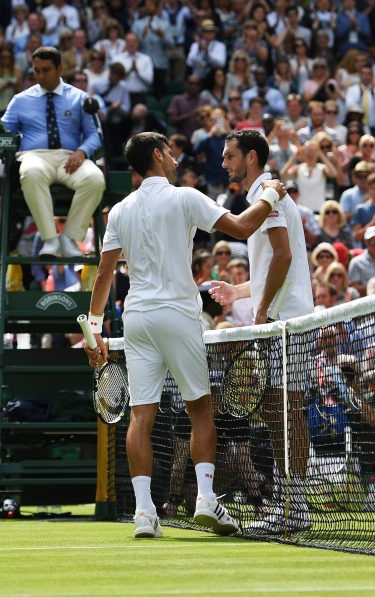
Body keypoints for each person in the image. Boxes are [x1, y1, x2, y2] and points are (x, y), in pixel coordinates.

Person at [83, 132, 287, 539]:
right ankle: (206, 500)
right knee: (200, 410)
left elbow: (104, 274)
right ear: (157, 155)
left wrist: (93, 331)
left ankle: (144, 514)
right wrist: (272, 196)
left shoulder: (119, 211)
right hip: (176, 313)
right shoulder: (185, 197)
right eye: (170, 153)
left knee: (141, 416)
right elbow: (245, 227)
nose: (176, 159)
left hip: (137, 319)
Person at [210, 129, 315, 534]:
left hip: (285, 321)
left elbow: (285, 257)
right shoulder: (263, 196)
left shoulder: (267, 196)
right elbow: (275, 262)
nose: (225, 163)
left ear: (250, 157)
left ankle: (295, 507)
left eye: (230, 156)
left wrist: (263, 312)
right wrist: (238, 290)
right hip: (280, 317)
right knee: (277, 413)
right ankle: (292, 504)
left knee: (287, 412)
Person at [1, 47, 104, 258]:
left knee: (95, 179)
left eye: (46, 70)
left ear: (60, 68)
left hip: (71, 158)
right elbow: (3, 132)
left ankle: (69, 238)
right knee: (30, 172)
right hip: (34, 156)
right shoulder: (20, 100)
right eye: (36, 70)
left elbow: (95, 134)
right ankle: (49, 240)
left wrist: (82, 151)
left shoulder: (80, 97)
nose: (40, 76)